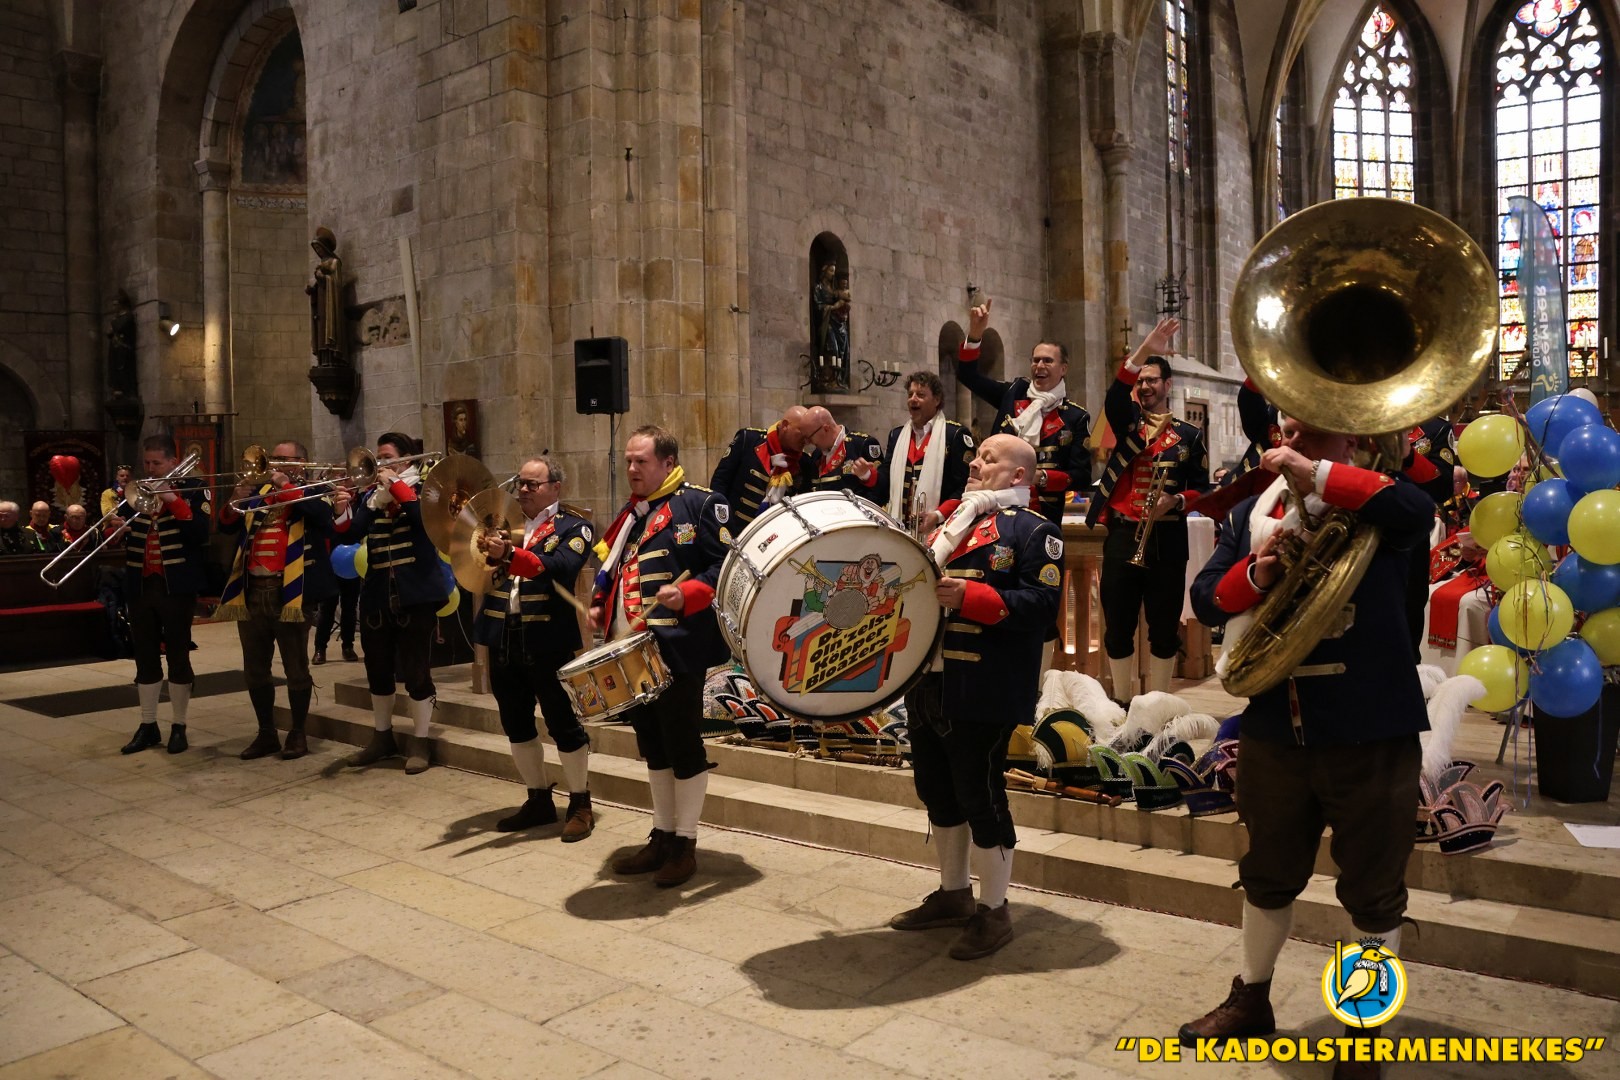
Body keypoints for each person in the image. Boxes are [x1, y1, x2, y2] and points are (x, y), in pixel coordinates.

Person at [1183, 416, 1434, 1078]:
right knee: (1266, 871)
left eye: (1309, 429)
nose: (1289, 438)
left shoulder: (1379, 497)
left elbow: (1416, 514)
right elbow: (1206, 598)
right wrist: (1259, 571)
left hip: (1371, 726)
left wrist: (1318, 476)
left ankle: (1365, 1032)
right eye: (1285, 428)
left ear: (1349, 437)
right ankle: (1251, 998)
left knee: (1373, 890)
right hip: (1276, 722)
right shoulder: (1252, 512)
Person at [889, 435, 1063, 960]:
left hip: (983, 685)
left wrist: (972, 596)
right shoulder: (954, 523)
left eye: (988, 458)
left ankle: (994, 909)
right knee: (936, 792)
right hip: (928, 680)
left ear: (1018, 476)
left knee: (980, 797)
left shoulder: (1034, 531)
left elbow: (1041, 607)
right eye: (976, 455)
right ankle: (953, 893)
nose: (974, 462)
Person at [590, 426, 730, 887]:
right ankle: (662, 834)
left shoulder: (701, 504)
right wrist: (599, 604)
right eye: (629, 460)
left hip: (678, 648)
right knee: (652, 745)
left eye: (641, 461)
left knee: (682, 745)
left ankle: (685, 844)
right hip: (632, 652)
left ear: (668, 463)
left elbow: (725, 566)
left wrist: (687, 592)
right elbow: (615, 569)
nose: (631, 468)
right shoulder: (631, 515)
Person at [1086, 317, 1209, 700]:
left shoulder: (1189, 436)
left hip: (1168, 538)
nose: (1144, 386)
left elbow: (1204, 488)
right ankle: (1122, 701)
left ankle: (1156, 703)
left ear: (1167, 385)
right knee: (1117, 626)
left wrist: (1178, 500)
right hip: (1124, 535)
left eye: (1152, 380)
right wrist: (1142, 352)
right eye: (1141, 381)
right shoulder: (1127, 423)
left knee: (1164, 627)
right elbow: (1115, 395)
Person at [475, 455, 597, 839]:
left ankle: (580, 803)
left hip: (547, 639)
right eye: (521, 483)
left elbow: (560, 567)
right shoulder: (501, 524)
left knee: (563, 724)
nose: (523, 490)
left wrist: (509, 554)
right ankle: (538, 799)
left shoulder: (574, 526)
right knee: (515, 724)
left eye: (533, 484)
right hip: (503, 635)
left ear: (555, 488)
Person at [216, 441, 336, 761]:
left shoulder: (316, 490)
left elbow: (322, 518)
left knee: (296, 668)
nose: (275, 464)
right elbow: (225, 526)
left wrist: (285, 485)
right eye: (274, 458)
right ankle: (266, 732)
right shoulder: (259, 492)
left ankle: (297, 732)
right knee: (254, 668)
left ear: (302, 462)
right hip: (252, 589)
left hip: (292, 592)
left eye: (284, 459)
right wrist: (235, 499)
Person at [337, 433, 449, 774]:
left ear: (406, 459)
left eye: (386, 457)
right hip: (377, 595)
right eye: (378, 457)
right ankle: (382, 737)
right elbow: (350, 534)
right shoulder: (372, 497)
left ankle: (420, 740)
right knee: (377, 670)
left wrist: (398, 486)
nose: (380, 463)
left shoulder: (426, 490)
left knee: (416, 672)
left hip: (416, 595)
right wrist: (341, 510)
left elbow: (424, 524)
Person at [109, 435, 210, 755]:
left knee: (178, 655)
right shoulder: (135, 491)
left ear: (171, 461)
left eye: (156, 463)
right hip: (140, 586)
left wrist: (172, 499)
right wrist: (116, 529)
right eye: (147, 463)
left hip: (175, 587)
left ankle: (179, 725)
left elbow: (201, 534)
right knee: (145, 656)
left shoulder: (194, 488)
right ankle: (148, 724)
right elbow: (126, 533)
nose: (150, 468)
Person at [956, 297, 1092, 523]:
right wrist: (975, 334)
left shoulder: (1075, 417)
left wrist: (1041, 477)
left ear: (1063, 368)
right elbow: (968, 376)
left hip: (1044, 513)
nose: (1039, 366)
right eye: (1035, 360)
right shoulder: (1014, 393)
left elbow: (1082, 476)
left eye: (1047, 361)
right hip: (996, 504)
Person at [856, 371, 972, 532]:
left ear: (937, 400)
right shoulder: (897, 435)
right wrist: (867, 475)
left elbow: (965, 486)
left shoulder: (954, 435)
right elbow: (886, 481)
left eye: (921, 395)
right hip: (900, 529)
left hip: (940, 529)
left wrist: (938, 515)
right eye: (910, 394)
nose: (913, 399)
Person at [710, 406, 816, 527]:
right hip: (734, 527)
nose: (807, 441)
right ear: (785, 425)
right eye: (802, 433)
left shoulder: (804, 462)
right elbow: (720, 482)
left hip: (772, 532)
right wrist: (720, 523)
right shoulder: (748, 440)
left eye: (809, 436)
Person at [798, 405, 884, 496]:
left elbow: (882, 491)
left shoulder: (862, 444)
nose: (808, 442)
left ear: (826, 429)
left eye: (809, 437)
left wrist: (866, 475)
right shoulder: (817, 455)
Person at [307, 227, 346, 368]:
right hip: (321, 302)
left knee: (329, 328)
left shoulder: (335, 262)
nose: (318, 251)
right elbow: (319, 284)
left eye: (320, 248)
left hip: (330, 303)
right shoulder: (321, 264)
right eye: (316, 249)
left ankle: (332, 359)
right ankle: (322, 360)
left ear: (325, 247)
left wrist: (323, 277)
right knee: (321, 329)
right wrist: (312, 290)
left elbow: (336, 283)